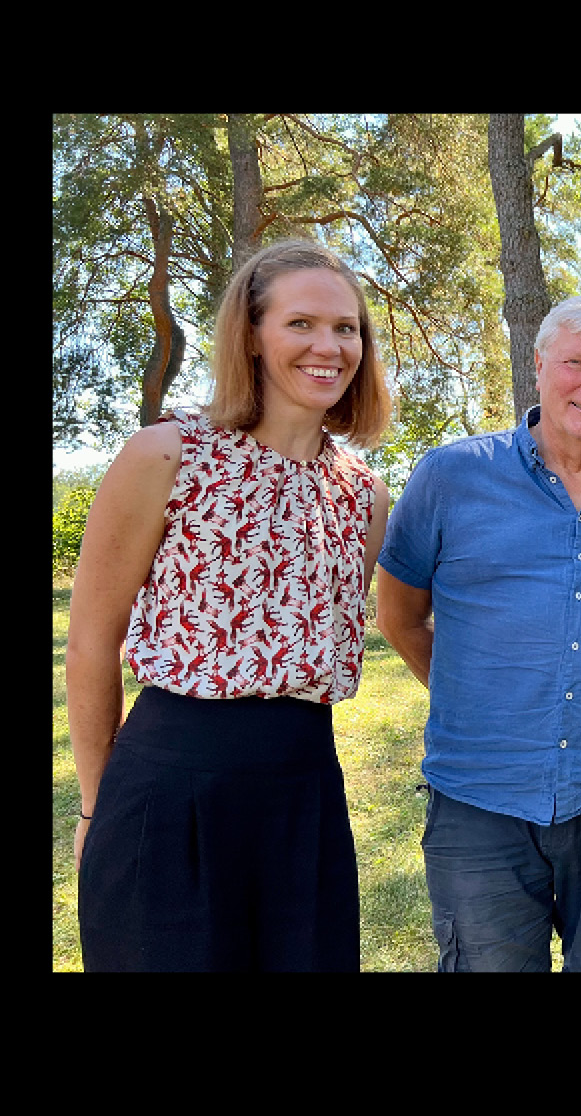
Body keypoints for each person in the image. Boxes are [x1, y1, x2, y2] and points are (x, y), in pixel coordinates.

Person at [69, 238, 392, 971]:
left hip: (305, 793)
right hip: (169, 789)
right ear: (251, 334)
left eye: (347, 328)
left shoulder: (365, 497)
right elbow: (91, 643)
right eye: (301, 323)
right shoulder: (165, 456)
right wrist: (95, 804)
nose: (330, 346)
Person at [375, 294, 581, 972]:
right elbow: (399, 616)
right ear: (540, 363)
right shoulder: (449, 476)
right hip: (478, 804)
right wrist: (476, 694)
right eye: (576, 362)